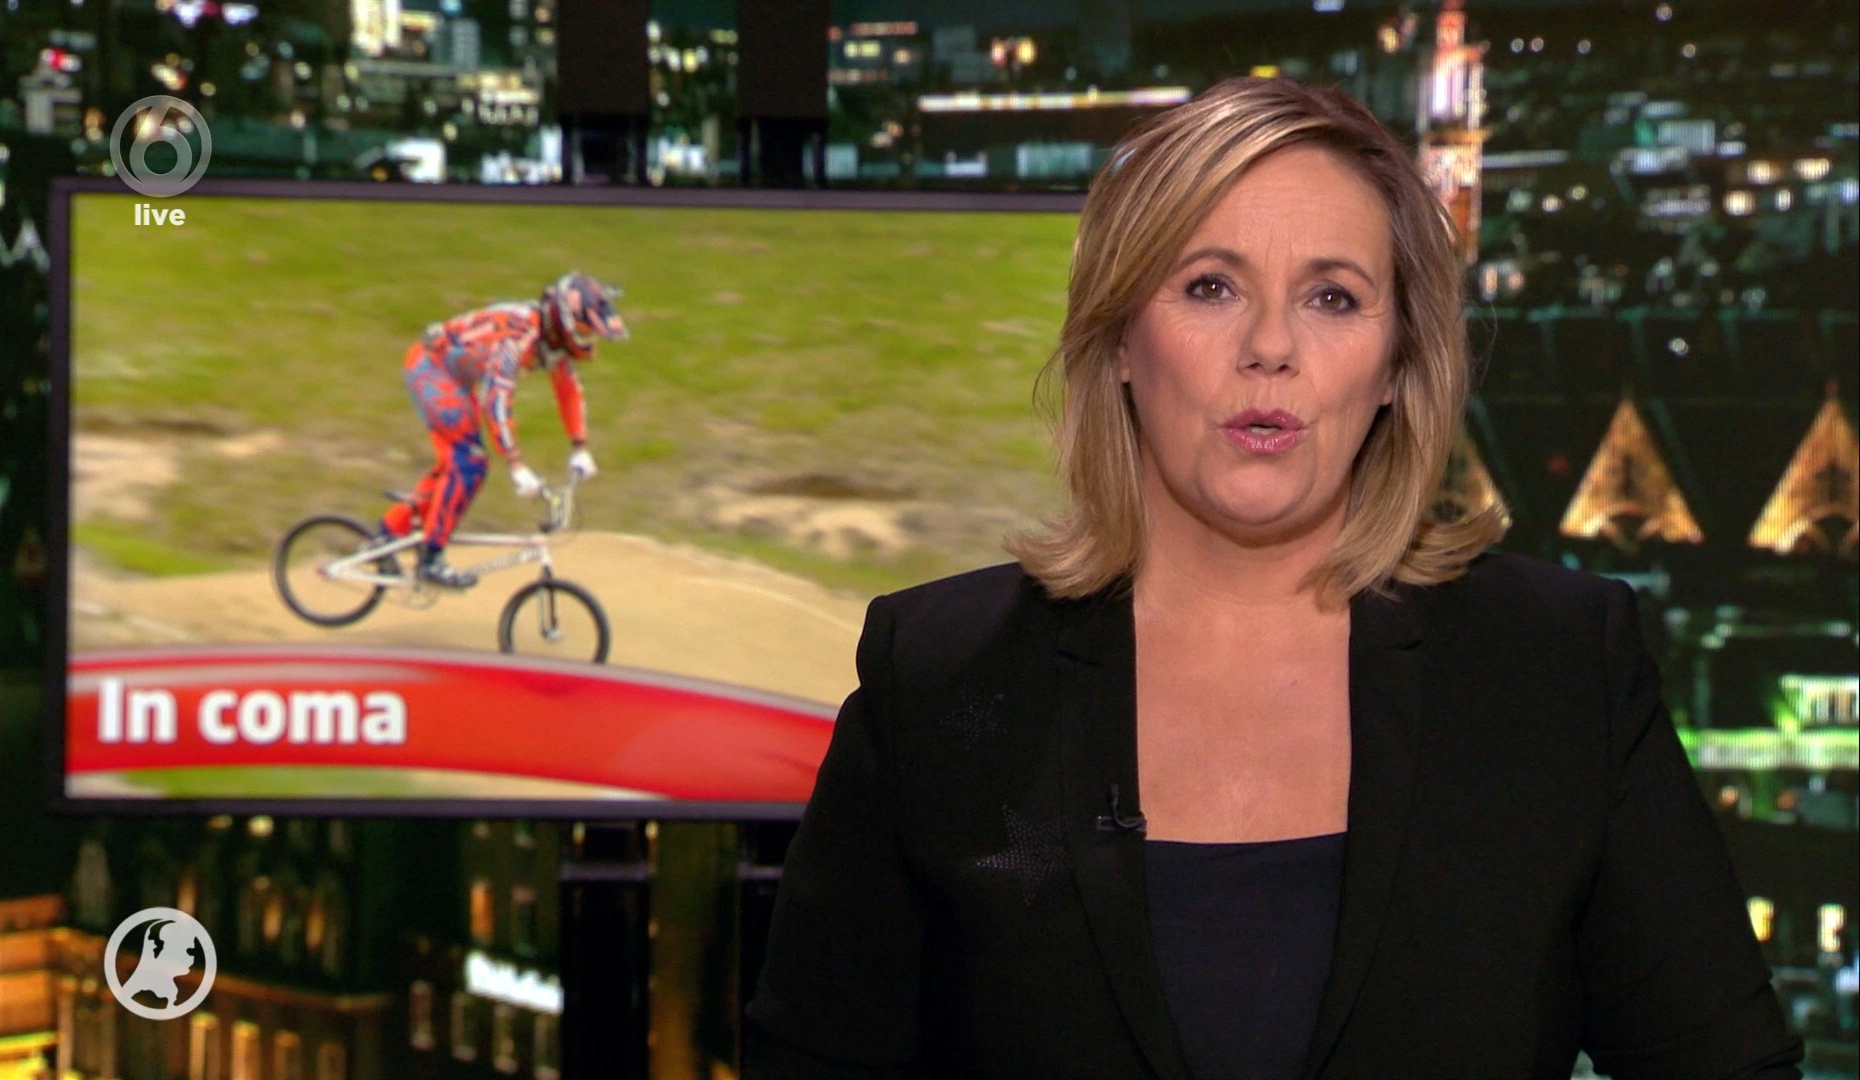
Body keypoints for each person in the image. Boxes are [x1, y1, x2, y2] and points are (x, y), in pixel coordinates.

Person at [743, 79, 1802, 1080]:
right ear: (1120, 339)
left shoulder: (1558, 666)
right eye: (1210, 287)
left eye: (1333, 297)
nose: (1269, 347)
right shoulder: (940, 677)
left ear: (1396, 366)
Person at [378, 271, 627, 588]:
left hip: (454, 375)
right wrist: (515, 464)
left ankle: (386, 535)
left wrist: (580, 446)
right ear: (565, 318)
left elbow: (568, 392)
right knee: (469, 463)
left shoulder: (551, 338)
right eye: (584, 328)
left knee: (458, 465)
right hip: (433, 369)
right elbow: (496, 401)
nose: (587, 337)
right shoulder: (517, 337)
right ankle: (431, 558)